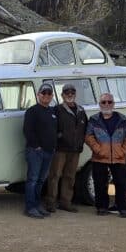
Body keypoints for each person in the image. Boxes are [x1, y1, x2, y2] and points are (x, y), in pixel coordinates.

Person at [85, 93, 126, 217]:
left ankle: (123, 208)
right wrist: (98, 149)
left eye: (109, 102)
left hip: (118, 157)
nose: (107, 104)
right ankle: (102, 207)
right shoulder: (94, 120)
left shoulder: (123, 119)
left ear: (114, 104)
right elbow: (89, 136)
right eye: (104, 102)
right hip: (99, 157)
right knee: (100, 183)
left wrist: (123, 151)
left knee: (121, 184)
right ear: (99, 104)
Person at [44, 83, 88, 213]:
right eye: (67, 93)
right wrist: (58, 137)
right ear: (62, 95)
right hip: (60, 149)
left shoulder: (81, 110)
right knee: (54, 175)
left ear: (75, 94)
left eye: (72, 93)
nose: (70, 95)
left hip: (75, 150)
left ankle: (65, 202)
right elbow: (51, 127)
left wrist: (81, 141)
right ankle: (51, 202)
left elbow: (85, 127)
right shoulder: (57, 109)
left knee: (70, 176)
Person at [22, 83, 58, 219]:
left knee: (41, 180)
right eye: (44, 93)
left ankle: (37, 205)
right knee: (32, 179)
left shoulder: (52, 112)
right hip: (35, 152)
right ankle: (30, 207)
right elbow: (27, 131)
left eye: (49, 93)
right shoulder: (32, 111)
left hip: (49, 152)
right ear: (38, 95)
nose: (47, 96)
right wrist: (36, 146)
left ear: (52, 96)